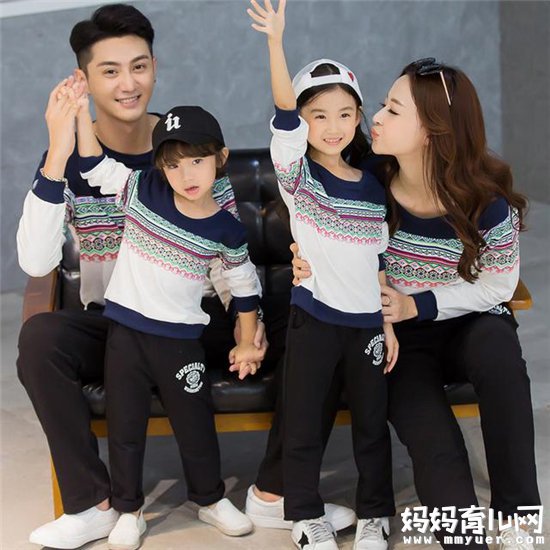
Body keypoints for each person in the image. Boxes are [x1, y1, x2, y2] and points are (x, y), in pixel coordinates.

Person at [15, 5, 262, 549]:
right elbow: (35, 264)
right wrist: (57, 152)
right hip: (116, 324)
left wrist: (250, 324)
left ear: (154, 67)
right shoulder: (74, 158)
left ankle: (279, 492)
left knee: (306, 320)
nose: (128, 84)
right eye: (110, 71)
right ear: (84, 79)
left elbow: (227, 257)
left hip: (191, 320)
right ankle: (93, 505)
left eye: (139, 66)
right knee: (40, 338)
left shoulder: (186, 146)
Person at [291, 57, 541, 550]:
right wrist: (303, 256)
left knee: (500, 356)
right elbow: (313, 216)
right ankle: (464, 539)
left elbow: (498, 286)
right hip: (400, 340)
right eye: (383, 104)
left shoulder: (488, 201)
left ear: (431, 130)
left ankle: (518, 518)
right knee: (435, 447)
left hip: (469, 321)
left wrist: (417, 304)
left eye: (393, 109)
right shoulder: (367, 181)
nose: (376, 117)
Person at [68, 82, 261, 546]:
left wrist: (245, 340)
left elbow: (244, 286)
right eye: (173, 165)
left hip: (180, 342)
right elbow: (94, 163)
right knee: (125, 427)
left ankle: (210, 499)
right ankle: (129, 509)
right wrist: (79, 111)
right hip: (126, 335)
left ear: (220, 158)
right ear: (160, 168)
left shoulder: (226, 228)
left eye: (196, 161)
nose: (185, 174)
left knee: (195, 425)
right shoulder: (141, 190)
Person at [247, 1, 398, 549]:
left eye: (344, 114)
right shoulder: (297, 176)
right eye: (319, 115)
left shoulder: (374, 185)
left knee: (371, 425)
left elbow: (379, 262)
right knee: (304, 424)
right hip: (313, 320)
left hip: (366, 326)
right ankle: (305, 515)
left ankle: (375, 514)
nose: (332, 127)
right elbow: (284, 112)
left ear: (358, 118)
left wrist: (388, 323)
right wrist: (275, 43)